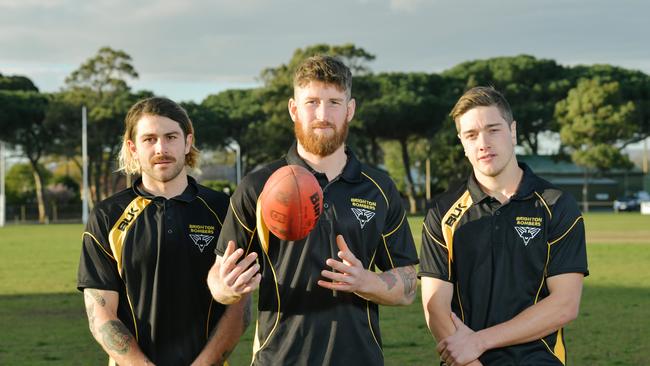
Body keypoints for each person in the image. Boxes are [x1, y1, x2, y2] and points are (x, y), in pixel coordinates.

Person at [207, 55, 419, 365]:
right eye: (311, 102)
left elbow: (408, 286)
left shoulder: (379, 188)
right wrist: (226, 287)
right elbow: (218, 277)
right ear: (293, 109)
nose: (322, 114)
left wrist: (365, 282)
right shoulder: (258, 186)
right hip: (279, 358)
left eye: (334, 102)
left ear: (350, 109)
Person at [419, 86, 589, 366]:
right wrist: (471, 360)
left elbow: (565, 304)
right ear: (462, 143)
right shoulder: (442, 212)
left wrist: (480, 341)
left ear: (512, 132)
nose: (483, 143)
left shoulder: (557, 205)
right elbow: (435, 307)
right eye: (471, 135)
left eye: (493, 130)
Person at [77, 97, 249, 366]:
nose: (161, 148)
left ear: (188, 142)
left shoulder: (224, 210)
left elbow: (239, 307)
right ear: (133, 148)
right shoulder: (107, 215)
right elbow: (99, 312)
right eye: (149, 139)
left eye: (171, 137)